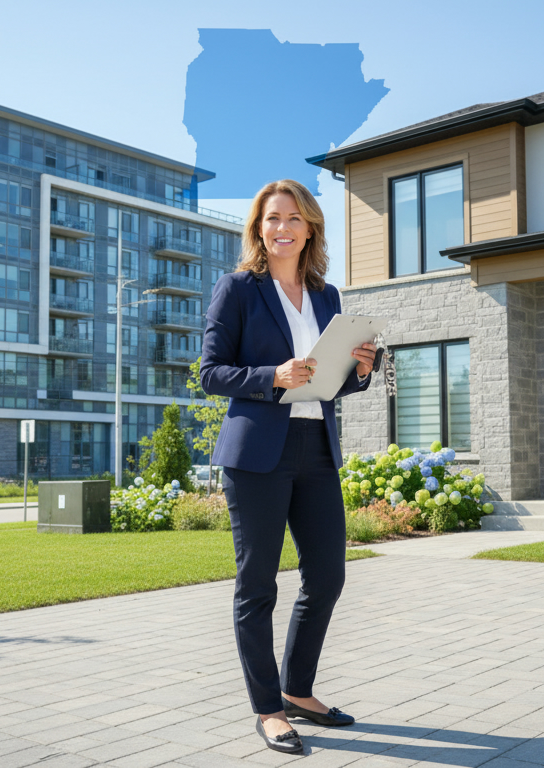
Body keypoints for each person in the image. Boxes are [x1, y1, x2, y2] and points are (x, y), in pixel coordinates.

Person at [199, 179, 377, 755]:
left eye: (293, 218)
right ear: (258, 227)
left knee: (327, 575)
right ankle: (269, 708)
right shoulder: (238, 289)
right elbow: (210, 373)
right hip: (256, 456)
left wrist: (361, 370)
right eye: (272, 219)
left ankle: (298, 690)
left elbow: (329, 384)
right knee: (258, 586)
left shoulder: (327, 296)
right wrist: (271, 376)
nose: (282, 228)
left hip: (316, 449)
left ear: (310, 228)